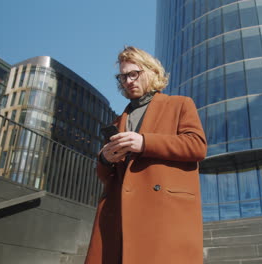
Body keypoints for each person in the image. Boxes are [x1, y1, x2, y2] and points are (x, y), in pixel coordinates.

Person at [85, 46, 207, 264]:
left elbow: (197, 146)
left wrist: (145, 142)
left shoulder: (179, 104)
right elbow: (105, 177)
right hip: (119, 216)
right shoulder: (116, 122)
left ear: (152, 71)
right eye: (123, 77)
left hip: (163, 212)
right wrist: (105, 159)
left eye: (134, 74)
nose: (128, 81)